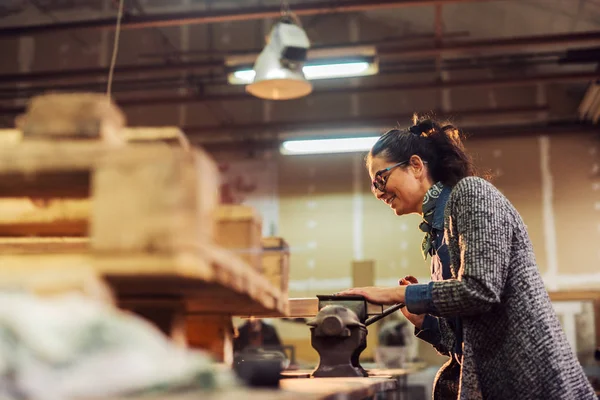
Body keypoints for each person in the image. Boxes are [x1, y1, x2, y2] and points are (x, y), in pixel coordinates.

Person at [337, 117, 596, 400]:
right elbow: (464, 340)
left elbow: (480, 290)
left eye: (380, 178)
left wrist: (396, 293)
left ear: (415, 165)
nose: (377, 192)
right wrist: (425, 321)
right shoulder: (438, 234)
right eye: (373, 185)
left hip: (532, 384)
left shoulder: (471, 193)